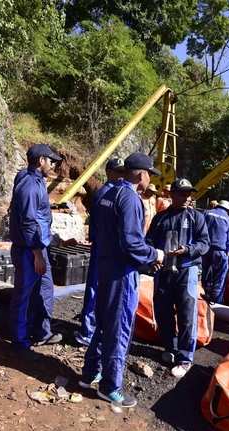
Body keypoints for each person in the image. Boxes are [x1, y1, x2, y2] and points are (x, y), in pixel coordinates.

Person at [80, 152, 164, 408]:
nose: (151, 180)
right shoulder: (129, 198)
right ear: (141, 174)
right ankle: (110, 386)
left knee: (103, 321)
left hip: (104, 266)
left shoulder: (107, 192)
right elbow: (131, 243)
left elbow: (97, 231)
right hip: (122, 272)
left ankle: (90, 373)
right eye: (150, 174)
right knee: (119, 328)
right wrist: (154, 254)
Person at [146, 178, 210, 378]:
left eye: (188, 193)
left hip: (187, 270)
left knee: (186, 314)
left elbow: (205, 243)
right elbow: (148, 241)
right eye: (182, 193)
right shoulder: (160, 218)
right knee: (162, 310)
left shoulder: (196, 218)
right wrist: (152, 259)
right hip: (164, 271)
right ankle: (170, 348)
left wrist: (188, 250)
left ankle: (185, 358)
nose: (186, 197)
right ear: (171, 194)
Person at [8, 144, 64, 351]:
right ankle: (19, 339)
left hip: (38, 247)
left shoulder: (36, 180)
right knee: (24, 294)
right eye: (51, 161)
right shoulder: (30, 185)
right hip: (29, 250)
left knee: (44, 290)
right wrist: (37, 254)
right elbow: (28, 222)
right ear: (41, 161)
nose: (53, 164)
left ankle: (42, 331)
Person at [74, 158, 125, 347]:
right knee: (95, 288)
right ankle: (87, 331)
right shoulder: (108, 193)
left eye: (124, 172)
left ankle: (90, 329)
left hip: (102, 246)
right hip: (103, 247)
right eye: (119, 171)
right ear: (110, 172)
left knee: (97, 288)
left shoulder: (105, 192)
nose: (122, 175)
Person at [202, 200, 229, 304]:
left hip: (204, 248)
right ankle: (214, 298)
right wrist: (228, 252)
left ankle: (202, 291)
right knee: (220, 273)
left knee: (203, 272)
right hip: (219, 251)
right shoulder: (228, 219)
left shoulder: (207, 213)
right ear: (227, 210)